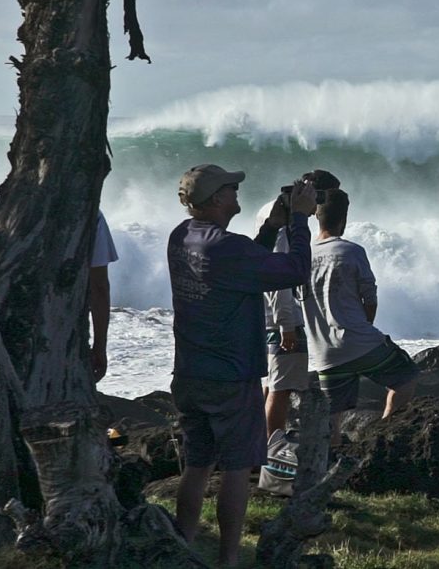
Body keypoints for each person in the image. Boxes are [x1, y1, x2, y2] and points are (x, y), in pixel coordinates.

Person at [167, 163, 315, 567]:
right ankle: (229, 558)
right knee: (236, 469)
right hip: (231, 376)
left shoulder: (182, 236)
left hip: (189, 372)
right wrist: (300, 218)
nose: (236, 195)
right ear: (216, 199)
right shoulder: (227, 247)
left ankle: (182, 546)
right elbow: (295, 271)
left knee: (197, 465)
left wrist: (270, 230)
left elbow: (244, 267)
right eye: (231, 189)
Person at [300, 174, 418, 453]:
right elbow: (370, 298)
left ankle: (328, 466)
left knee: (332, 419)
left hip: (325, 353)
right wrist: (365, 328)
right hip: (360, 341)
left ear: (317, 218)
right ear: (344, 219)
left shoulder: (302, 256)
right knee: (406, 377)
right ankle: (382, 436)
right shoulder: (352, 252)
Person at [253, 201, 310, 437]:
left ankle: (259, 445)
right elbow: (281, 283)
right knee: (281, 390)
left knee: (272, 386)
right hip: (282, 322)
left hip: (267, 318)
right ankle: (270, 452)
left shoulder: (266, 213)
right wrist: (287, 326)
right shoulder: (284, 233)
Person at [89, 210, 118, 382]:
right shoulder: (91, 215)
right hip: (62, 326)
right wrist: (99, 347)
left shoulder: (7, 205)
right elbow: (98, 287)